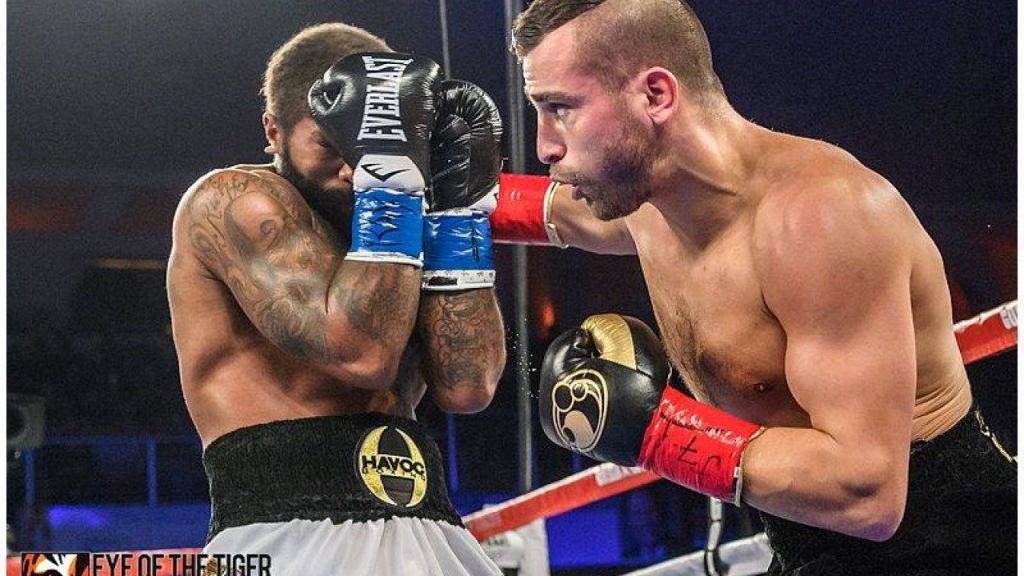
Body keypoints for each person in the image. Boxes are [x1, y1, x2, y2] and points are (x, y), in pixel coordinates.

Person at [504, 0, 1016, 573]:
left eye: (561, 109)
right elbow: (545, 211)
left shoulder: (819, 221)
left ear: (655, 96)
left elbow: (869, 493)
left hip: (946, 546)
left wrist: (657, 433)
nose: (546, 146)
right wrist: (422, 191)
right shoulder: (650, 201)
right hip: (808, 546)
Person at [167, 23, 505, 576]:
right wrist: (392, 181)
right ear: (273, 131)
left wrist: (456, 209)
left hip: (433, 529)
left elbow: (470, 385)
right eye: (330, 144)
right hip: (287, 536)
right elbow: (362, 355)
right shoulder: (232, 203)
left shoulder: (401, 227)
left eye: (368, 146)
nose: (355, 168)